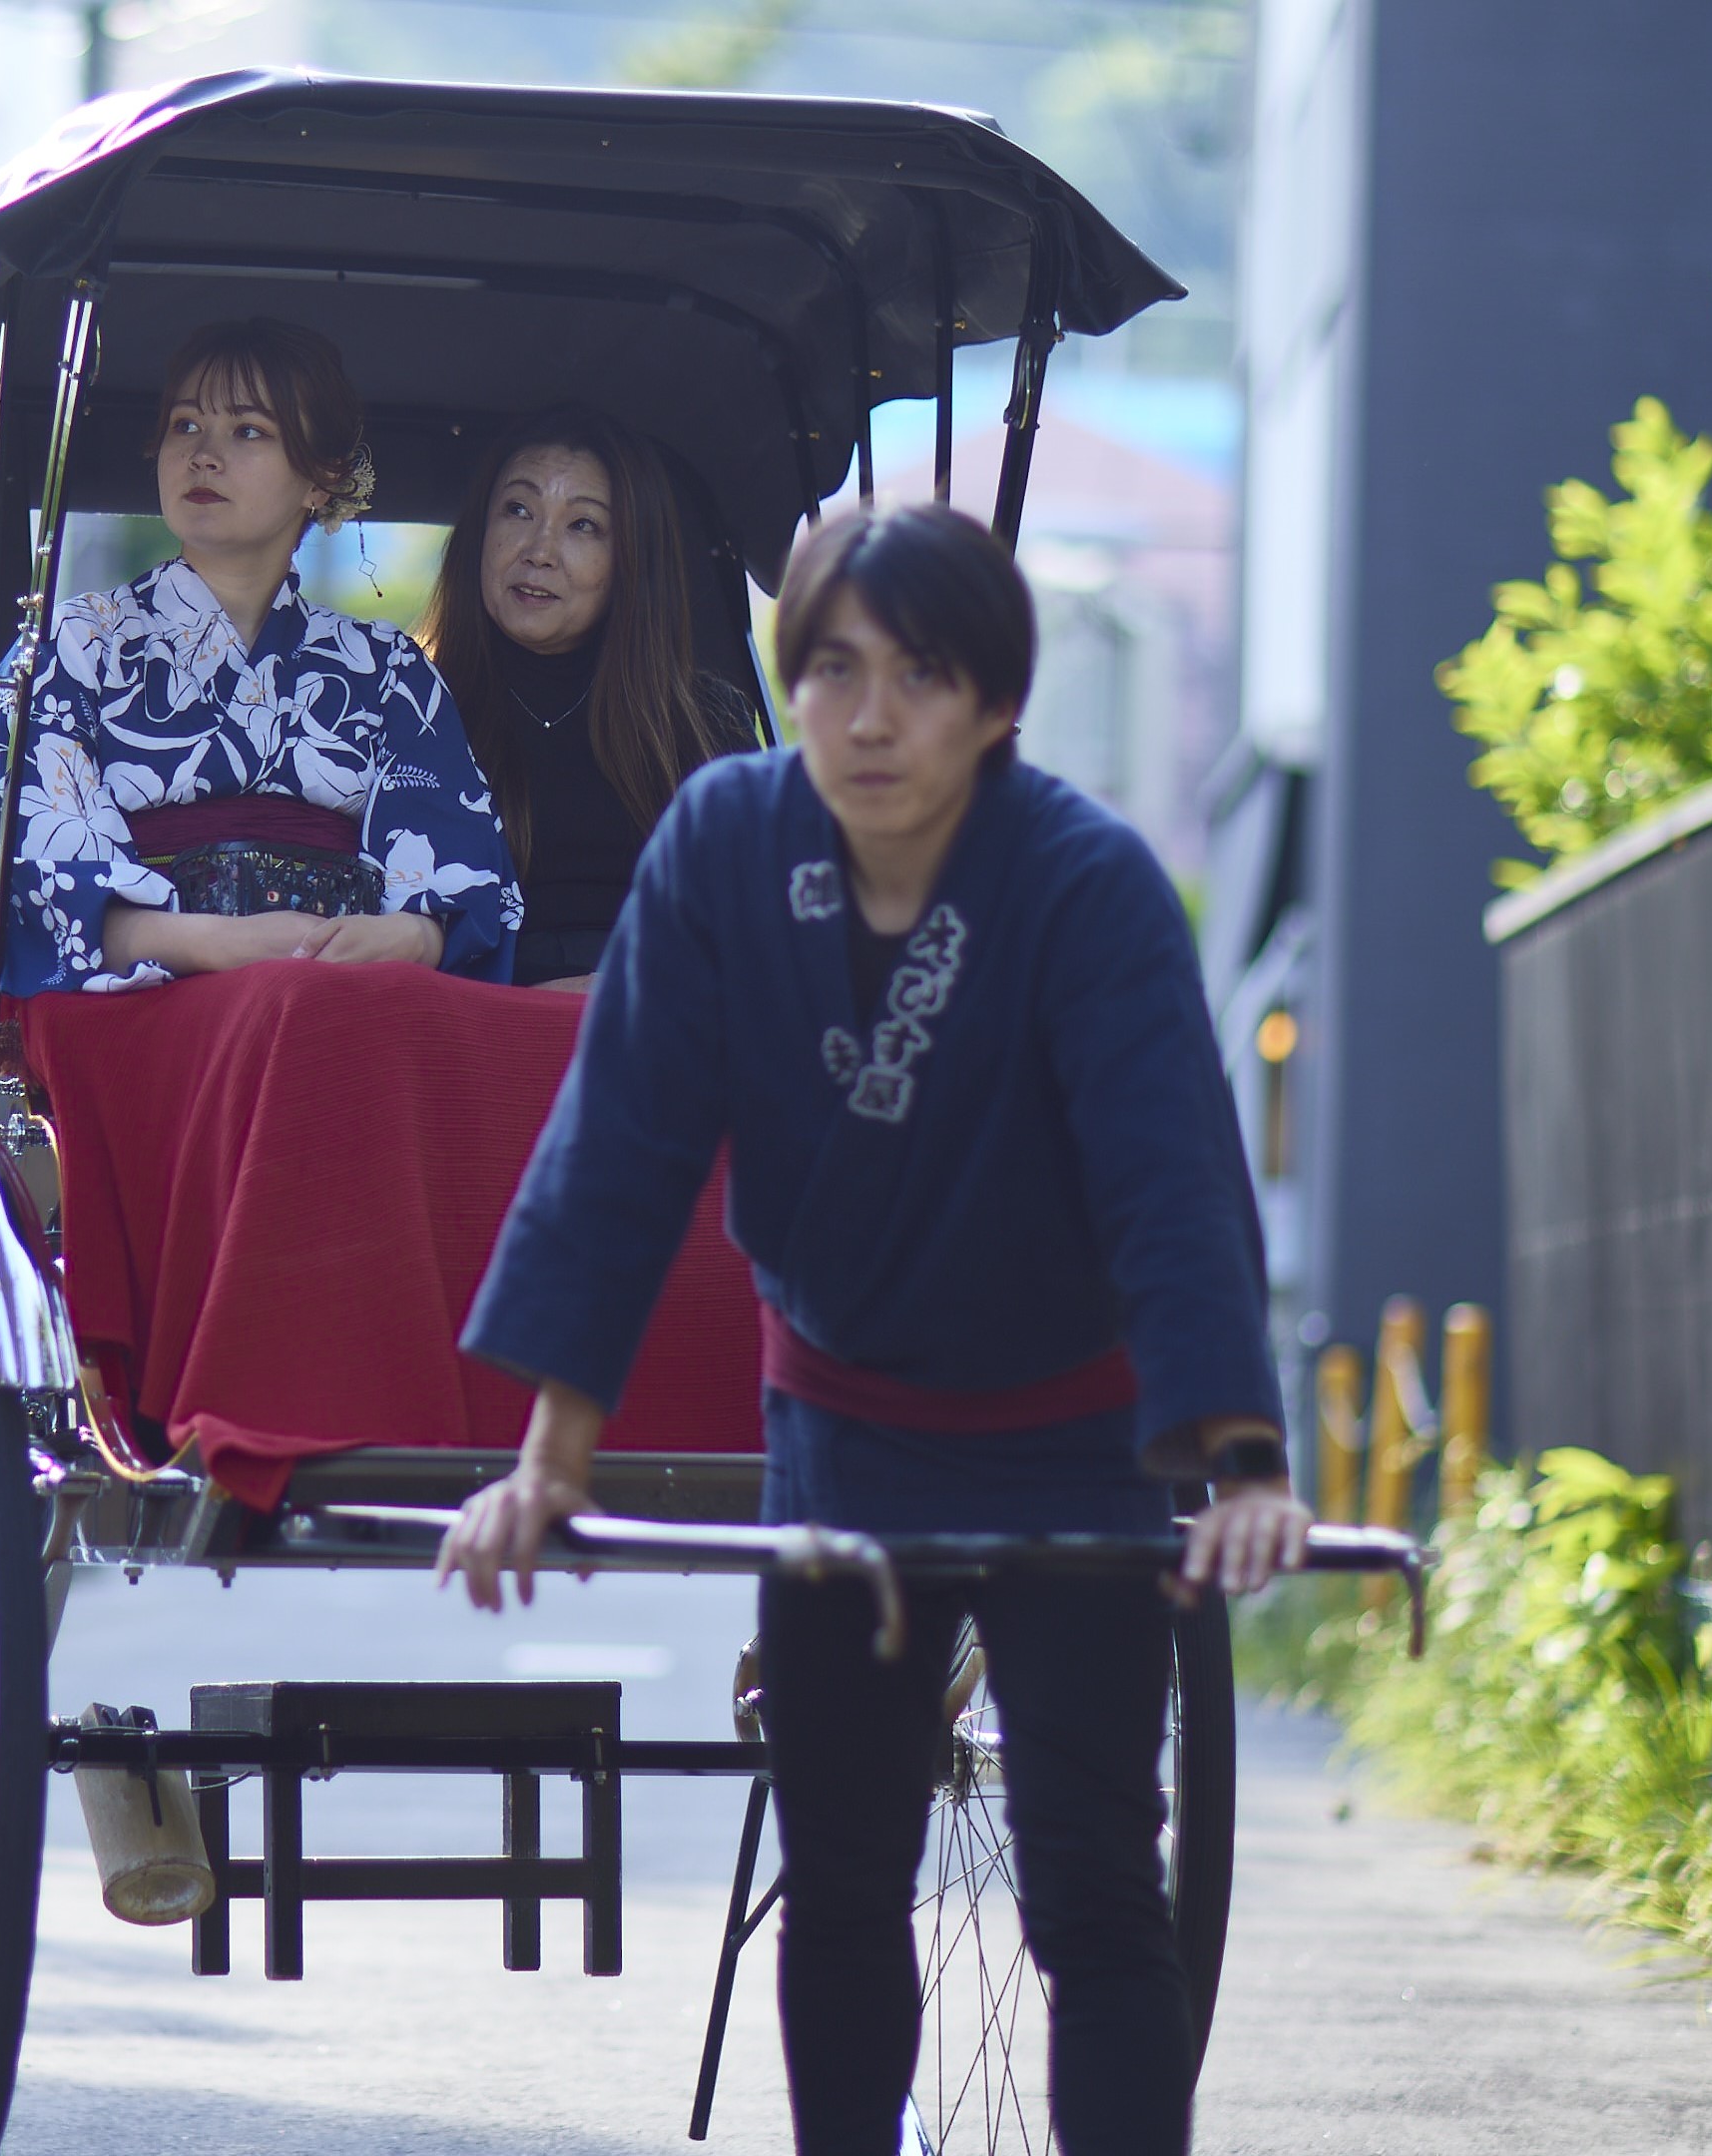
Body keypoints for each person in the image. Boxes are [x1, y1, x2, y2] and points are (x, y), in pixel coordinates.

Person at [431, 502, 1310, 2155]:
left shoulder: (1086, 883)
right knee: (843, 1875)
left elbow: (1171, 1182)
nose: (871, 716)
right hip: (844, 1431)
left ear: (996, 706)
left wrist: (1244, 1459)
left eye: (922, 676)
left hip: (1077, 1439)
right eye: (831, 671)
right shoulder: (718, 848)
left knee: (1097, 1890)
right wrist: (551, 1461)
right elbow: (619, 1149)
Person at [0, 317, 519, 995]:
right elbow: (44, 873)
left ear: (320, 478)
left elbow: (458, 877)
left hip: (334, 988)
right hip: (143, 992)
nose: (203, 455)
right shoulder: (71, 646)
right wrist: (217, 943)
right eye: (185, 426)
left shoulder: (388, 669)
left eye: (248, 431)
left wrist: (411, 935)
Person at [422, 407, 759, 988]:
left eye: (583, 526)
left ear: (630, 560)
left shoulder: (703, 723)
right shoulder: (413, 711)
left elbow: (755, 931)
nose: (539, 550)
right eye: (518, 510)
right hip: (469, 1030)